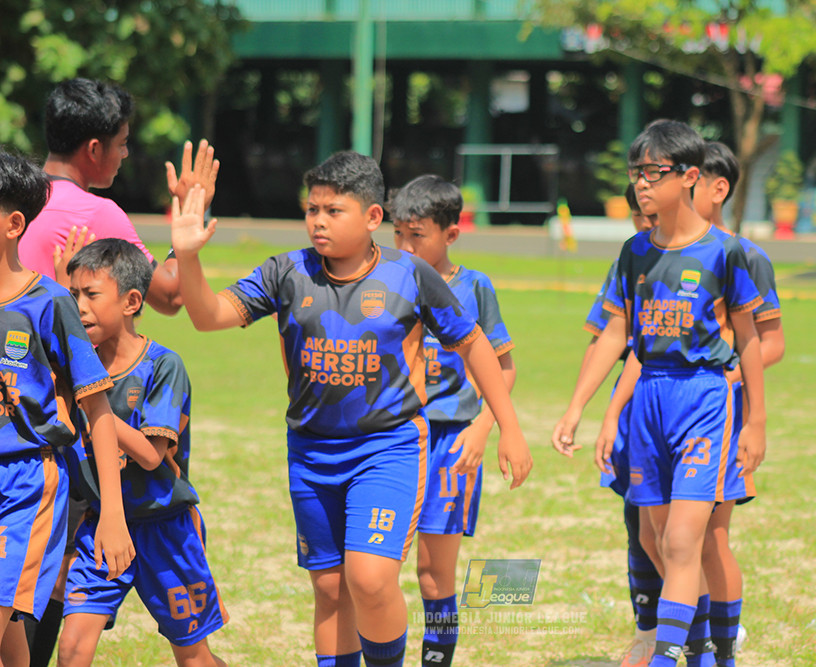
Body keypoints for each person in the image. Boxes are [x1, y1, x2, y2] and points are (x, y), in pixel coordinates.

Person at [169, 151, 532, 667]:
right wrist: (187, 256)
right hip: (311, 453)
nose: (318, 221)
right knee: (331, 586)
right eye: (312, 209)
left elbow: (475, 344)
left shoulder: (411, 276)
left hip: (388, 447)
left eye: (333, 210)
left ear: (372, 217)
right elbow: (208, 317)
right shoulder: (286, 271)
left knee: (370, 577)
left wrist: (507, 429)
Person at [583, 120, 766, 667]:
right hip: (648, 402)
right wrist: (587, 410)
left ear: (691, 177)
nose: (641, 184)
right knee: (655, 538)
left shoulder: (730, 254)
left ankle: (685, 653)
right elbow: (625, 338)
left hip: (706, 399)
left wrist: (755, 419)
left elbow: (755, 340)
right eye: (635, 172)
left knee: (695, 541)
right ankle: (702, 649)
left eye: (652, 172)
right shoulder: (634, 252)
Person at [57, 239, 228, 667]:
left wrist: (93, 402)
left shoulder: (163, 366)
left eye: (91, 295)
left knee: (192, 657)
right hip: (100, 527)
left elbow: (152, 456)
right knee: (74, 647)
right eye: (73, 294)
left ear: (132, 301)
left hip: (166, 528)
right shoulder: (75, 363)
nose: (80, 307)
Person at [0, 150, 133, 666]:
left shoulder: (48, 303)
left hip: (26, 482)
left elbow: (97, 411)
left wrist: (113, 517)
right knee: (7, 620)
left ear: (14, 224)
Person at [389, 175, 516, 667]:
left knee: (432, 574)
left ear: (451, 234)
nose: (405, 246)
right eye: (398, 234)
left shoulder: (474, 286)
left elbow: (503, 368)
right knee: (373, 568)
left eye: (416, 235)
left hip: (450, 441)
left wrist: (483, 427)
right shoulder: (387, 278)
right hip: (395, 438)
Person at [550, 184, 663, 667]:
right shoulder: (631, 260)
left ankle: (712, 622)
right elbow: (610, 339)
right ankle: (648, 631)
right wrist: (577, 409)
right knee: (640, 525)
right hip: (636, 411)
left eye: (650, 216)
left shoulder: (715, 256)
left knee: (687, 533)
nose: (644, 225)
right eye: (637, 216)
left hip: (691, 409)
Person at [691, 141, 784, 666]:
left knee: (710, 534)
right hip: (670, 412)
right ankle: (687, 634)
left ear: (716, 188)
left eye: (690, 179)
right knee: (667, 533)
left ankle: (721, 643)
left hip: (722, 414)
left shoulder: (743, 254)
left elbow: (771, 341)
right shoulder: (657, 249)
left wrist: (727, 371)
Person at [18, 77, 204, 315]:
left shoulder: (14, 197)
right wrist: (188, 218)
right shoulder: (95, 214)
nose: (125, 153)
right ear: (94, 149)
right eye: (122, 143)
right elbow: (171, 296)